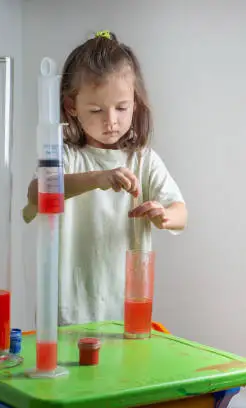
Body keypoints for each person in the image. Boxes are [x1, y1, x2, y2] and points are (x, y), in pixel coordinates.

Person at [22, 30, 187, 326]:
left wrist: (163, 214)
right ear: (72, 106)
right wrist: (98, 178)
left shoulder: (143, 159)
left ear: (134, 103)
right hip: (67, 316)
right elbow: (37, 194)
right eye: (96, 110)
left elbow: (181, 213)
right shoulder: (64, 154)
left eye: (122, 107)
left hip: (127, 313)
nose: (111, 120)